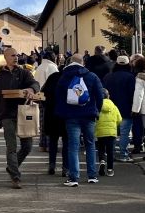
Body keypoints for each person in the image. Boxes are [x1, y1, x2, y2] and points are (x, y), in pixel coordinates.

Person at [0, 46, 40, 190]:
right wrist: (0, 107)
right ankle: (15, 177)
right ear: (5, 58)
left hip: (24, 113)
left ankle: (12, 167)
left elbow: (35, 84)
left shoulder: (24, 72)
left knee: (27, 146)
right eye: (12, 55)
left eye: (16, 55)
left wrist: (31, 89)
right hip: (7, 115)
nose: (16, 57)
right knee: (11, 147)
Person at [51, 54, 104, 187]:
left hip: (71, 116)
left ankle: (74, 177)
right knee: (90, 144)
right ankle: (92, 176)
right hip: (89, 115)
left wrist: (63, 112)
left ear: (70, 62)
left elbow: (58, 96)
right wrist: (97, 111)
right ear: (83, 62)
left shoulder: (64, 76)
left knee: (73, 146)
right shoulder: (92, 76)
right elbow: (100, 96)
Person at [104, 55, 137, 162]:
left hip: (110, 109)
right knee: (124, 133)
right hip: (126, 109)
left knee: (112, 133)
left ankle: (111, 153)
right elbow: (132, 94)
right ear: (128, 64)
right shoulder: (131, 77)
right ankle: (123, 154)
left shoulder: (108, 76)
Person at [34, 51, 60, 153]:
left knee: (42, 122)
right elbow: (55, 83)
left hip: (40, 96)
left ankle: (42, 144)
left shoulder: (39, 67)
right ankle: (50, 145)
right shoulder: (52, 67)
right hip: (50, 98)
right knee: (50, 122)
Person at [95, 87, 122, 177]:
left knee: (101, 149)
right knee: (110, 151)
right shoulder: (114, 107)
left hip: (100, 132)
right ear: (108, 96)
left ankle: (102, 161)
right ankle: (110, 169)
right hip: (111, 133)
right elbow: (119, 119)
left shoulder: (97, 106)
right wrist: (114, 125)